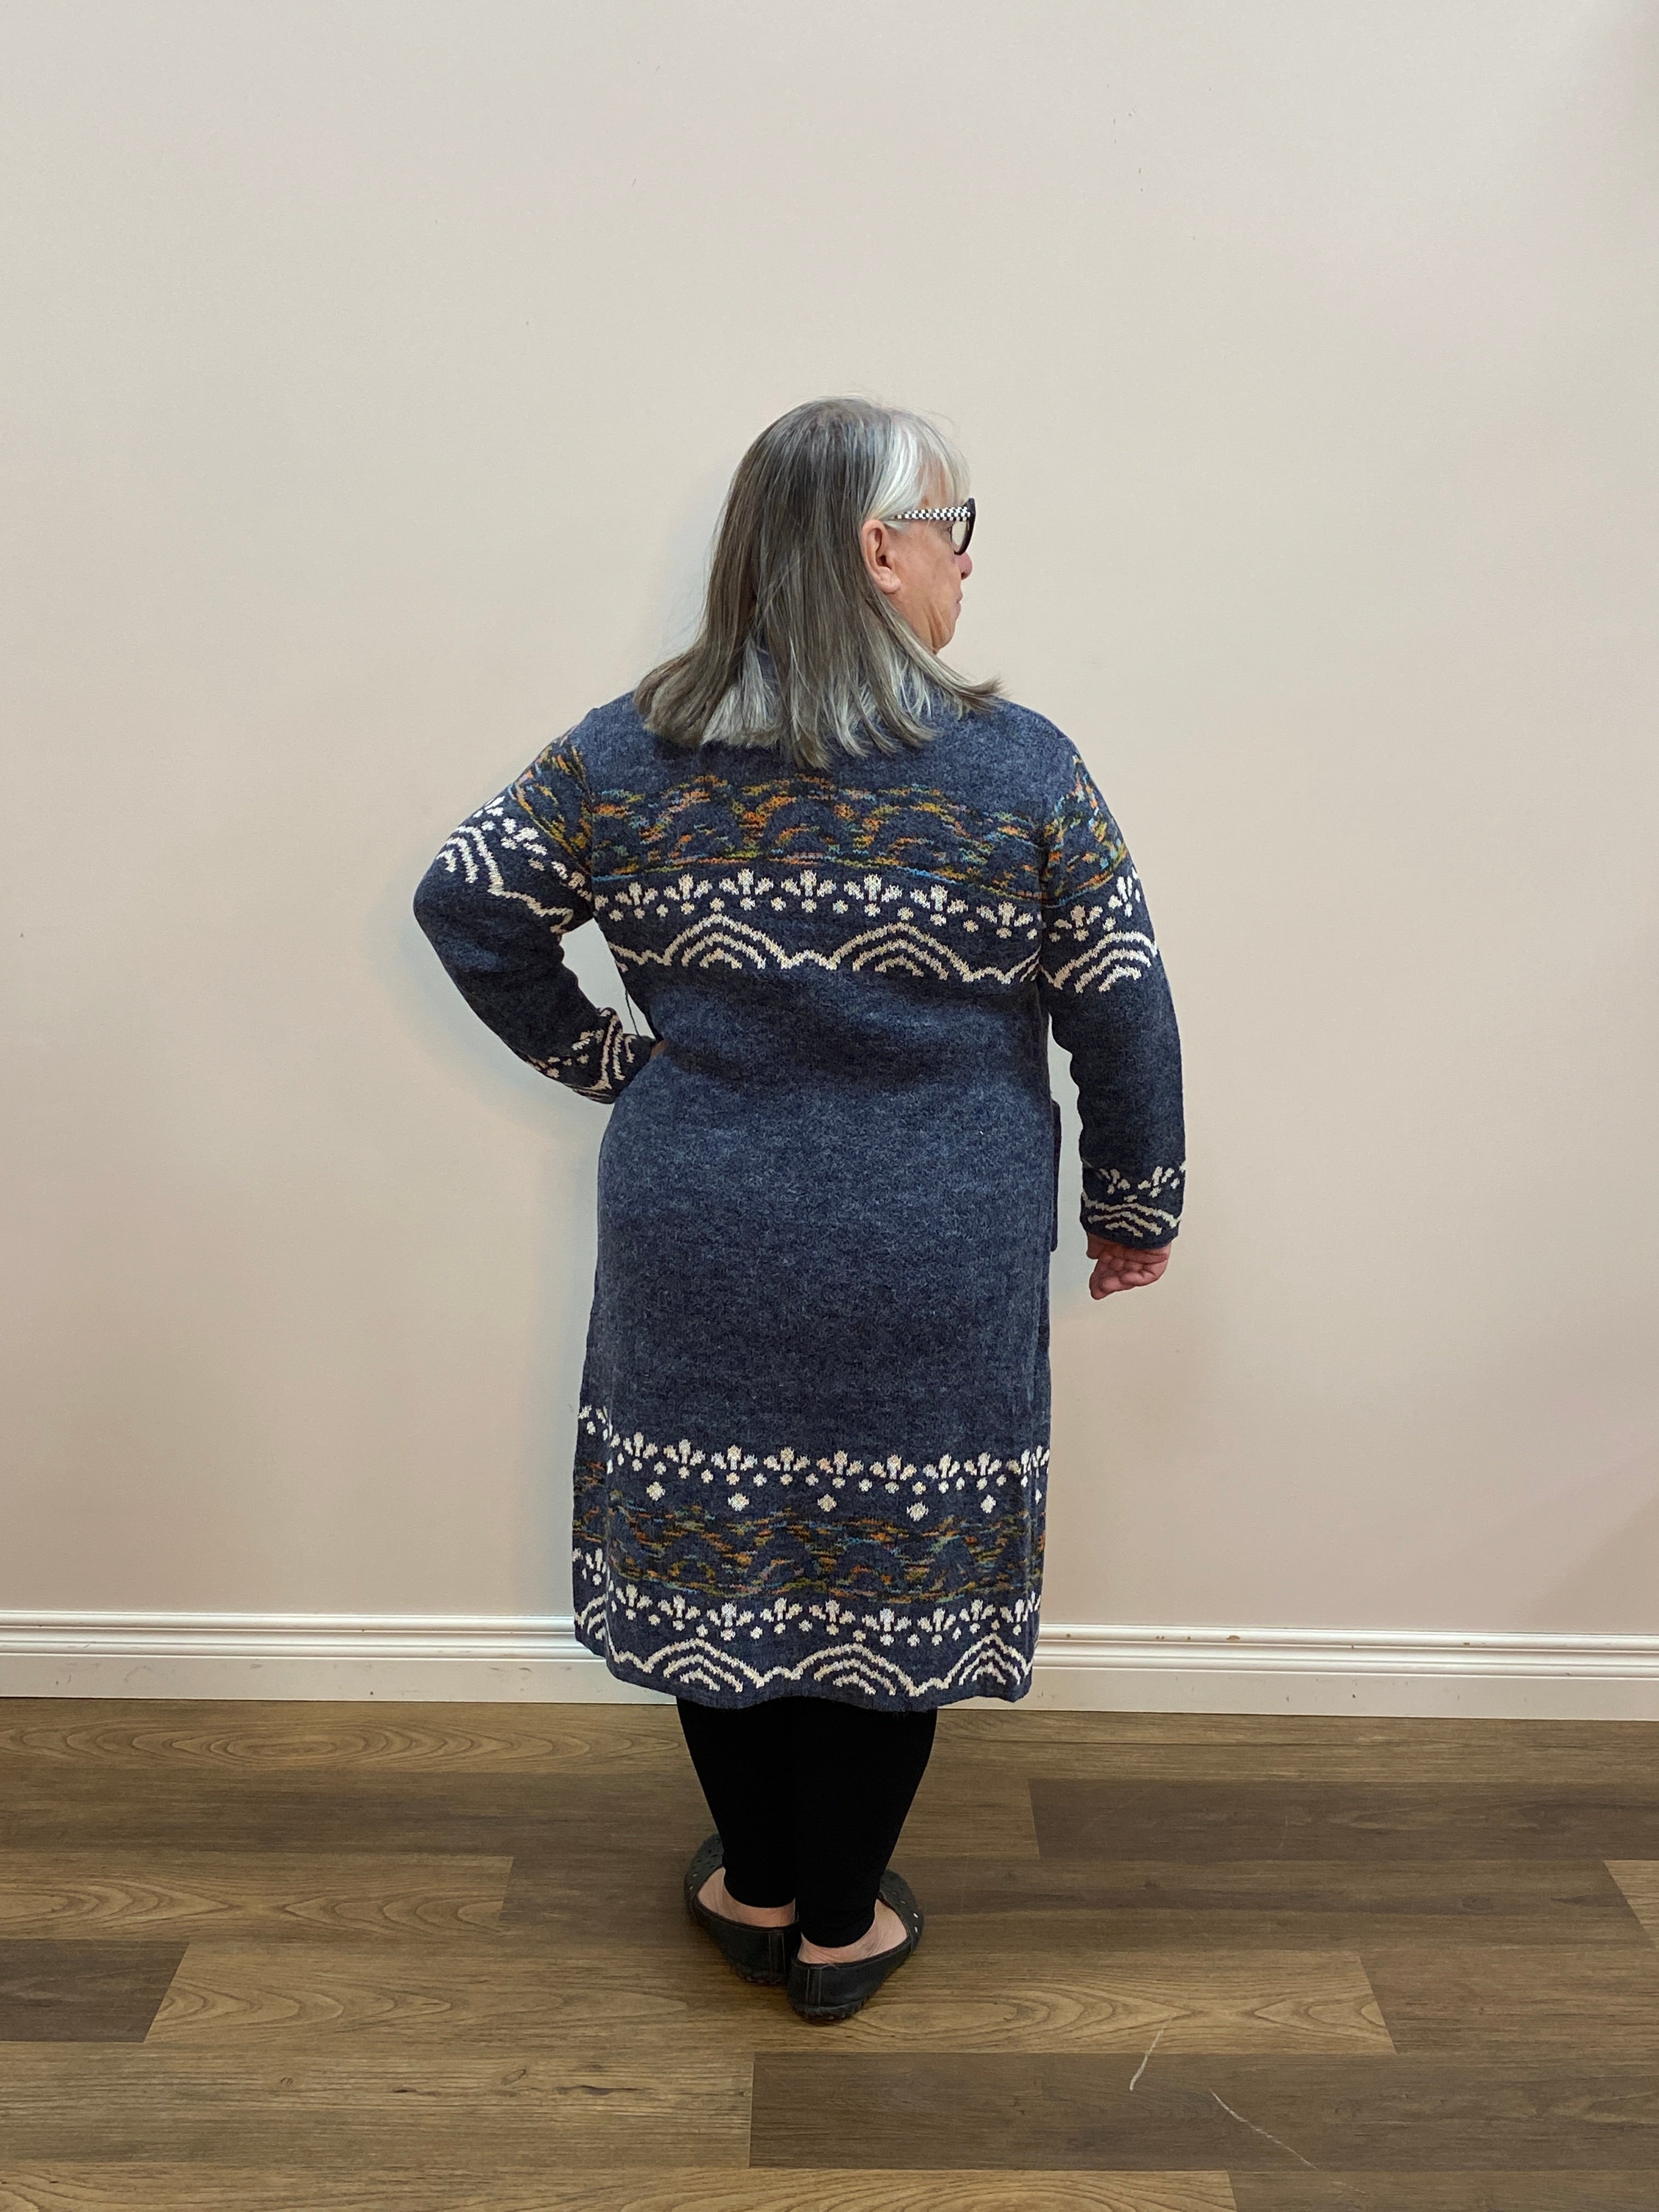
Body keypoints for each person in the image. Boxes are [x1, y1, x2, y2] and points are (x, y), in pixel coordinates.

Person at [413, 396, 1184, 2022]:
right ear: (877, 550)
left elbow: (466, 899)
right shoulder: (1018, 765)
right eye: (954, 530)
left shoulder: (629, 750)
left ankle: (753, 1879)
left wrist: (611, 1060)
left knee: (728, 1548)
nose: (965, 568)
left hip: (705, 1229)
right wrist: (1135, 1203)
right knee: (889, 1567)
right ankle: (841, 1923)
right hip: (939, 1241)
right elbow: (1121, 1001)